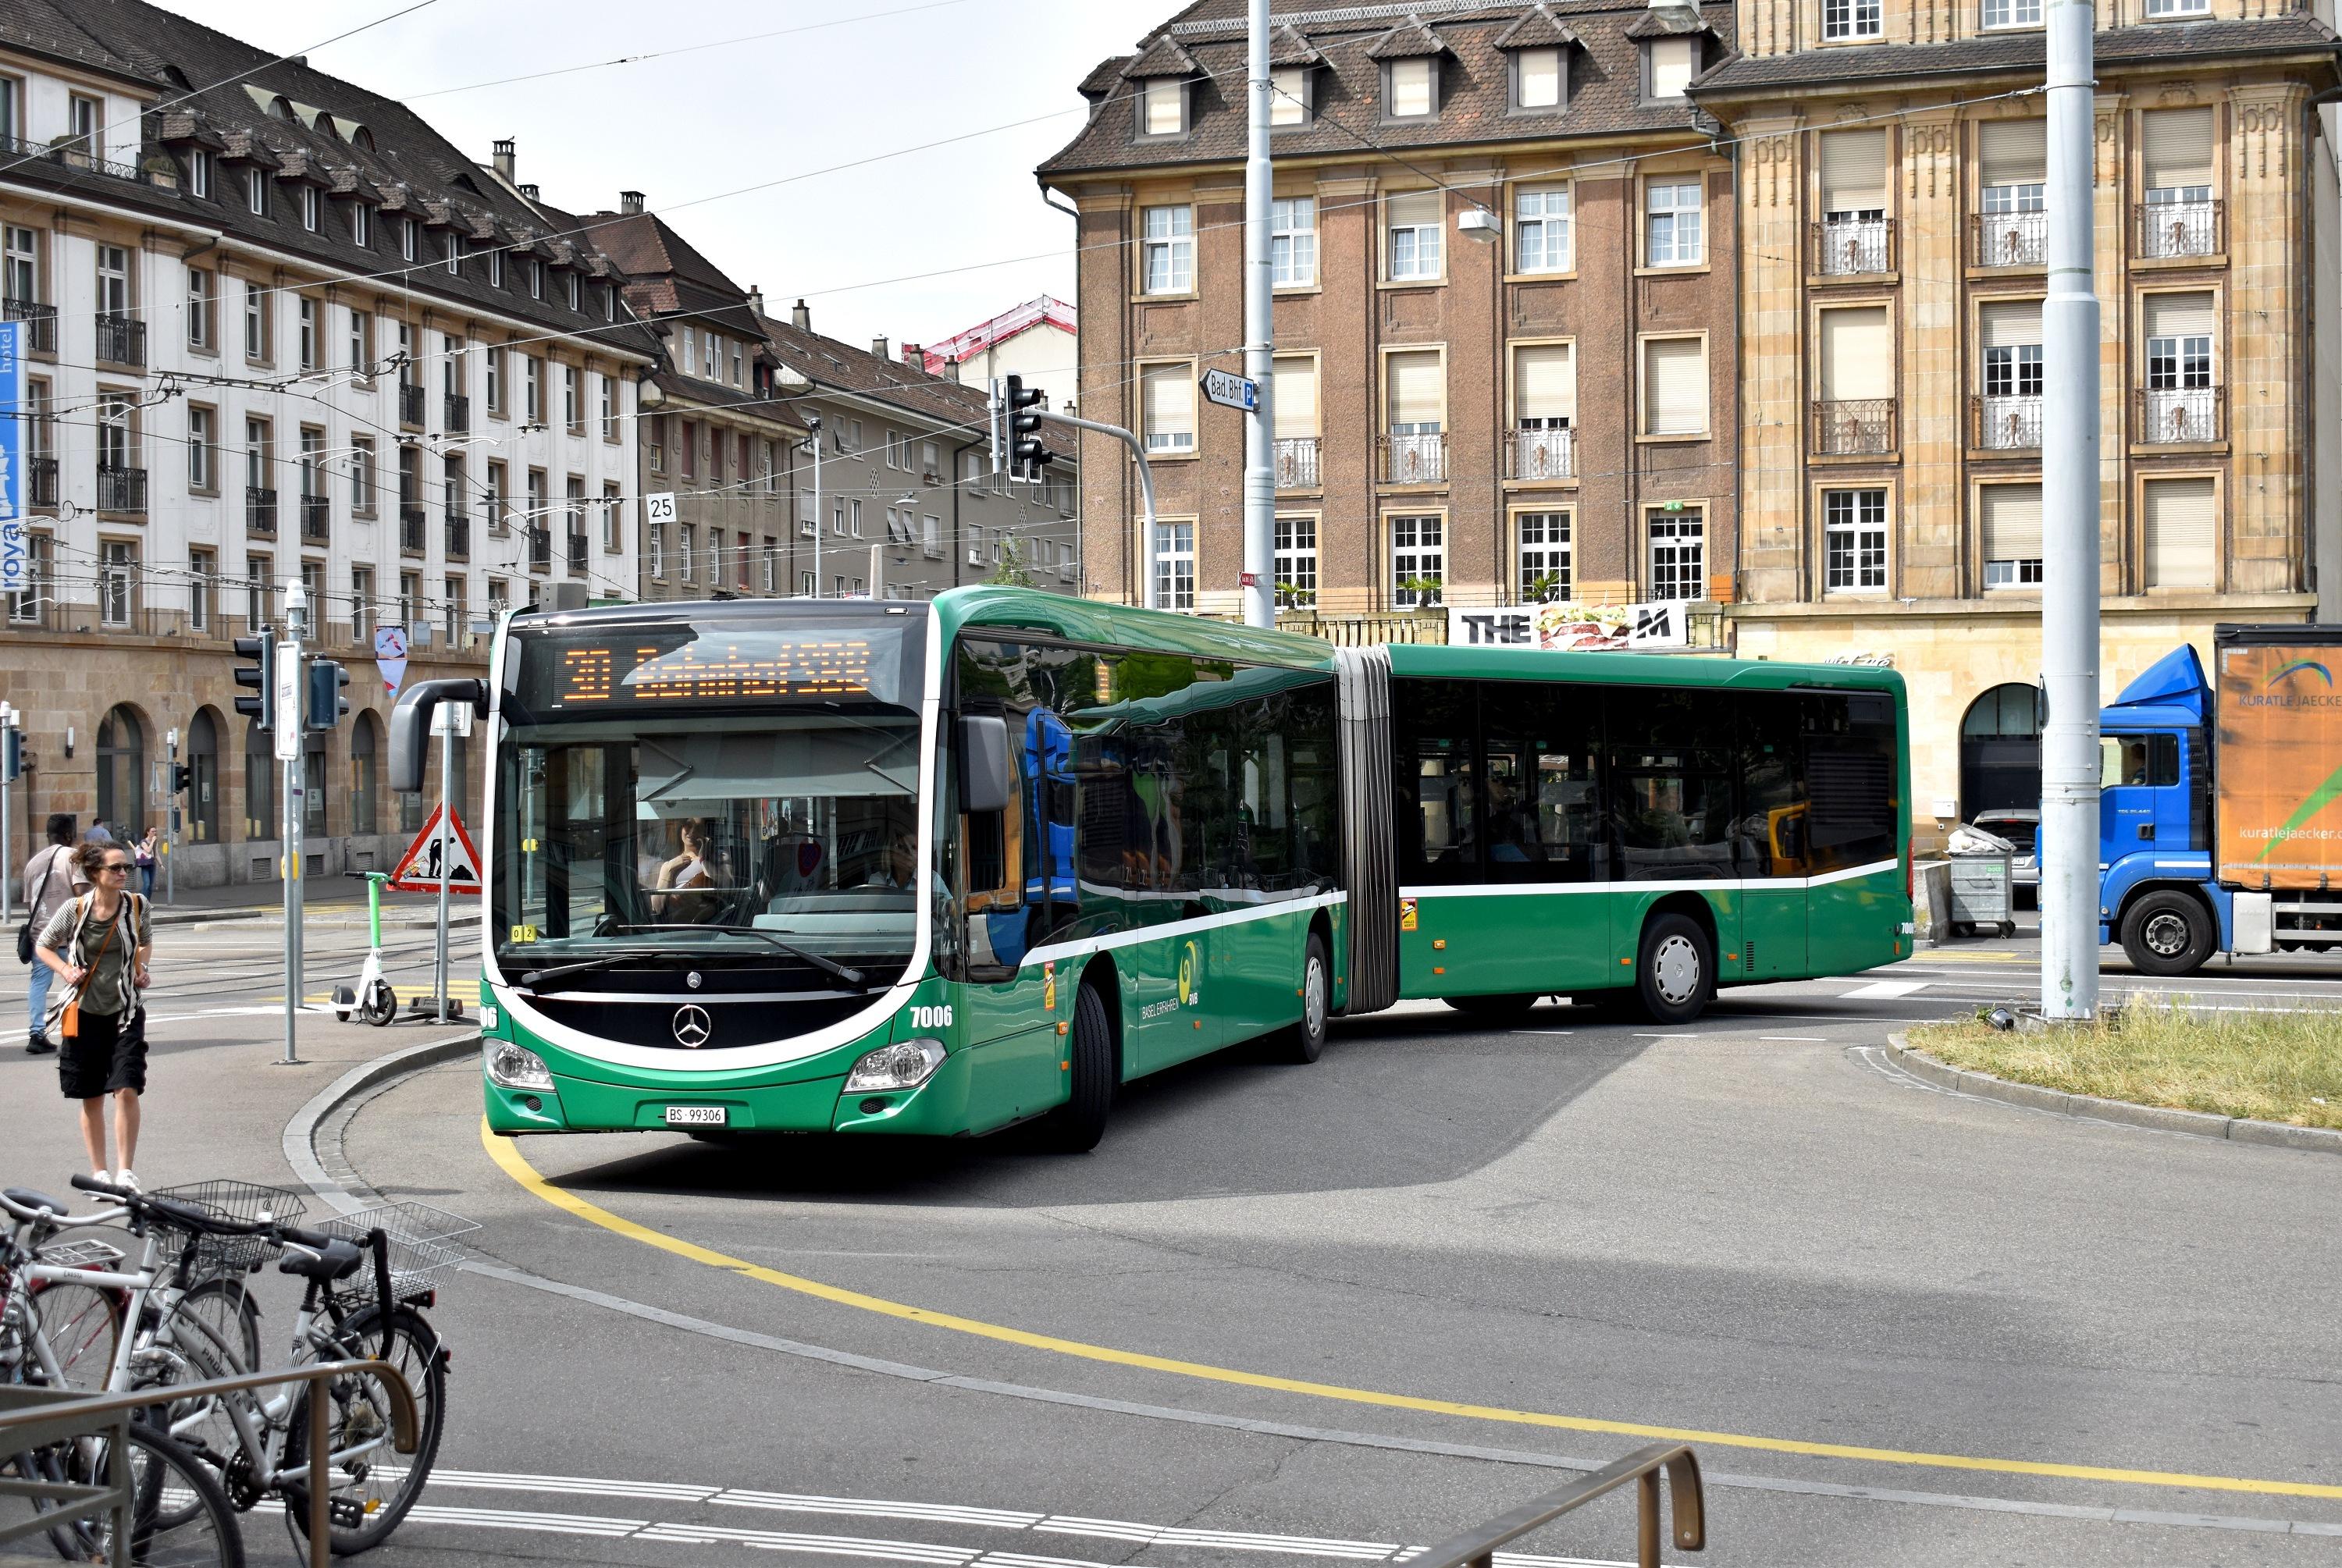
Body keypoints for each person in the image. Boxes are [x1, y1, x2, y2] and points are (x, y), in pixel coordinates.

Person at [35, 841, 153, 1189]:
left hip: (125, 1011)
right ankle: (100, 1172)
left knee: (127, 1087)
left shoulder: (137, 905)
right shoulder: (74, 909)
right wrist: (65, 970)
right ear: (94, 874)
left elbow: (145, 940)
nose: (123, 874)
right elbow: (44, 944)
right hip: (84, 1010)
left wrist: (141, 967)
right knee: (91, 1094)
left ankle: (125, 1172)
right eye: (115, 868)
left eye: (126, 868)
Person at [20, 814, 88, 1055]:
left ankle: (37, 1033)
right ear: (69, 834)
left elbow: (29, 904)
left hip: (42, 936)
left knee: (39, 982)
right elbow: (82, 895)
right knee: (79, 982)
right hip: (70, 934)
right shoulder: (73, 857)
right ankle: (75, 1033)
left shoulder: (33, 863)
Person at [651, 820, 724, 924]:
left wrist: (703, 858)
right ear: (681, 829)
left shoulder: (716, 858)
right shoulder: (669, 863)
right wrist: (667, 870)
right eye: (688, 826)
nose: (692, 832)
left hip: (702, 918)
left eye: (698, 828)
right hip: (672, 923)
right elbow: (657, 908)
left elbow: (722, 887)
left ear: (706, 832)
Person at [133, 827, 158, 898]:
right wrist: (153, 842)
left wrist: (161, 864)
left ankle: (148, 902)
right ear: (148, 832)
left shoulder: (155, 842)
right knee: (147, 884)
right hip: (145, 865)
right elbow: (148, 850)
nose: (154, 833)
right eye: (153, 831)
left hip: (152, 864)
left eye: (155, 831)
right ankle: (141, 900)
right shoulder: (143, 842)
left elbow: (156, 854)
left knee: (150, 886)